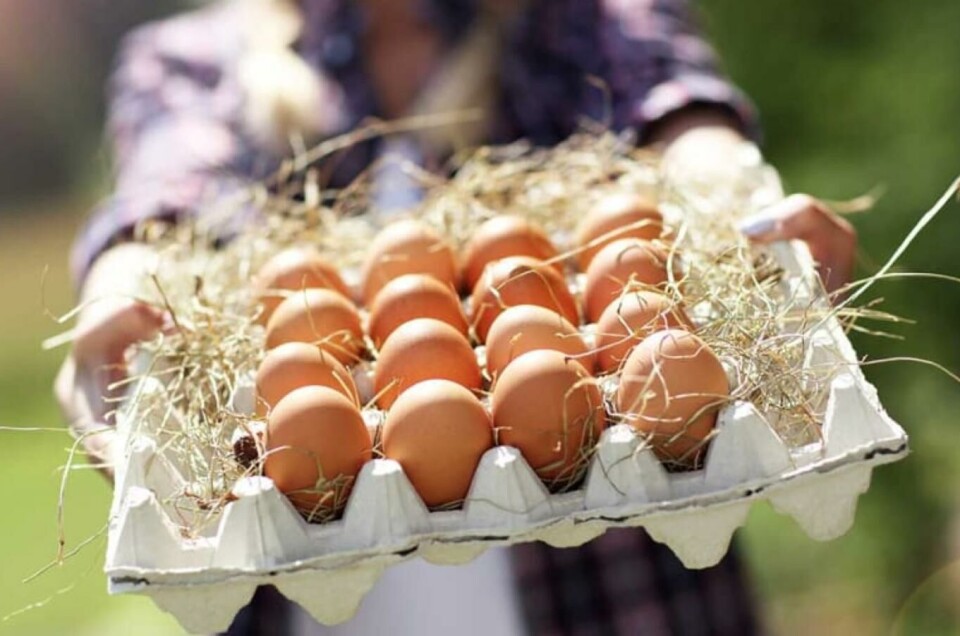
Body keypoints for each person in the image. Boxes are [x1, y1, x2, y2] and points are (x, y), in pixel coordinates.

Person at [55, 1, 857, 634]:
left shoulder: (575, 21)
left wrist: (728, 183)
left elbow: (672, 108)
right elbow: (162, 205)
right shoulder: (195, 66)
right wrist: (122, 281)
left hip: (612, 596)